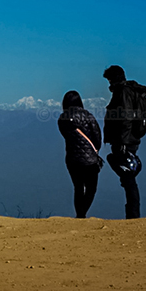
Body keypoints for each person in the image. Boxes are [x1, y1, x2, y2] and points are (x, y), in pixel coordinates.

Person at [102, 65, 146, 219]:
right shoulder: (131, 91)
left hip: (125, 141)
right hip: (131, 139)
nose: (109, 84)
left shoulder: (123, 92)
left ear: (114, 79)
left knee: (128, 178)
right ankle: (132, 212)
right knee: (127, 176)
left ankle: (133, 214)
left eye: (110, 80)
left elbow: (126, 117)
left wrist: (122, 141)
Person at [57, 90, 103, 218]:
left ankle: (80, 215)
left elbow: (66, 135)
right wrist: (94, 150)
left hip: (72, 159)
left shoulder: (62, 119)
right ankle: (81, 214)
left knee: (78, 187)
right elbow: (97, 137)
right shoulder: (88, 116)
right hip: (90, 160)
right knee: (91, 189)